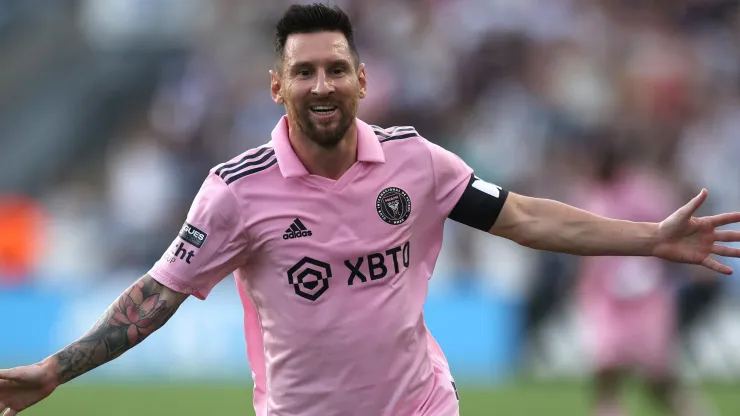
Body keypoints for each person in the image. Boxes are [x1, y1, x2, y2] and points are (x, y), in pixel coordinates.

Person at [1, 4, 739, 416]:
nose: (320, 85)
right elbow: (155, 298)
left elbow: (523, 216)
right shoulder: (236, 190)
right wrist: (54, 372)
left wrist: (649, 238)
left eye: (333, 70)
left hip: (418, 404)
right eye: (302, 72)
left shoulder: (419, 161)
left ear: (361, 78)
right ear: (276, 86)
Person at [573, 144, 713, 416]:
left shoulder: (642, 193)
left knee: (656, 373)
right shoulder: (590, 194)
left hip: (644, 295)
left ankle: (692, 409)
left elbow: (670, 229)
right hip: (605, 295)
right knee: (606, 364)